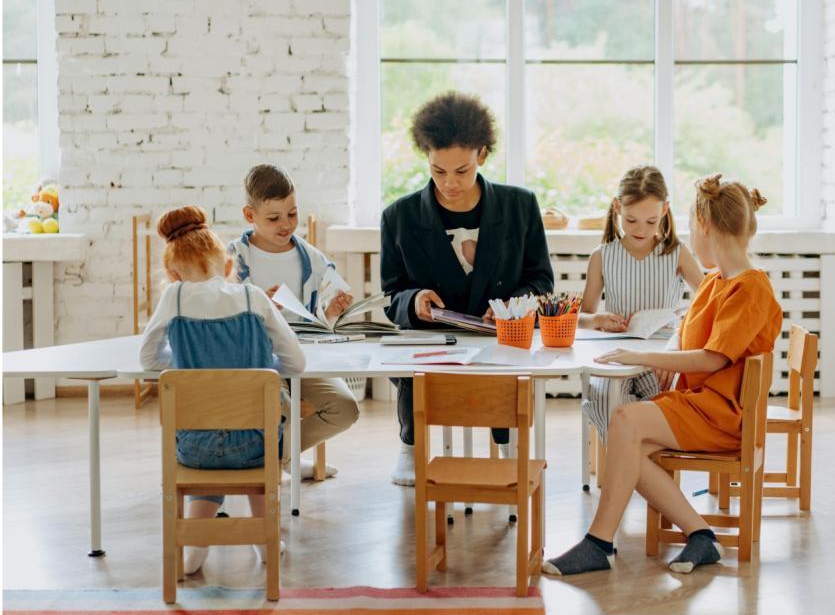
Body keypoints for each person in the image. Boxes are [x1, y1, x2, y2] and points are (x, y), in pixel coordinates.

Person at [543, 174, 781, 576]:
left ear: (705, 228)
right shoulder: (715, 284)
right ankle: (700, 536)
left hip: (722, 415)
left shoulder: (751, 288)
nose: (687, 235)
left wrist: (643, 354)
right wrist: (664, 358)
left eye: (690, 226)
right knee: (627, 447)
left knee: (624, 421)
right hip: (699, 405)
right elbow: (688, 339)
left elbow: (711, 359)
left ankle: (598, 543)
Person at [380, 91, 554, 486]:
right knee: (410, 369)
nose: (449, 184)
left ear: (483, 154)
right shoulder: (399, 217)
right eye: (438, 171)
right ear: (426, 157)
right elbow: (392, 295)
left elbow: (541, 280)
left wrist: (513, 304)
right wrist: (415, 300)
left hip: (502, 340)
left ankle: (510, 447)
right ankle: (410, 446)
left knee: (511, 370)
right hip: (433, 344)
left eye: (461, 170)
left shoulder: (520, 206)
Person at [140, 205, 305, 575]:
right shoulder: (254, 298)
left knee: (206, 437)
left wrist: (187, 369)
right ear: (228, 265)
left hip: (195, 448)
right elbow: (295, 364)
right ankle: (265, 540)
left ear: (172, 273)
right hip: (254, 445)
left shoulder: (173, 298)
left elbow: (149, 360)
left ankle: (196, 544)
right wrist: (260, 373)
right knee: (257, 446)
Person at [227, 164, 360, 479]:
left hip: (302, 355)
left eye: (292, 214)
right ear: (250, 216)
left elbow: (317, 323)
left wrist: (332, 312)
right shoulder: (235, 258)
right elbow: (222, 313)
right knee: (279, 407)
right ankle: (277, 461)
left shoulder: (311, 258)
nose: (286, 224)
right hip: (254, 360)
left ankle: (278, 458)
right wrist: (258, 301)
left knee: (345, 408)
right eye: (273, 218)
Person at [578, 165, 704, 441]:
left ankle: (642, 470)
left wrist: (678, 344)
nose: (640, 229)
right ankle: (629, 469)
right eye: (632, 219)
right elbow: (581, 317)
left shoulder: (678, 253)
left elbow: (708, 301)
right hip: (615, 357)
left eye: (651, 221)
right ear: (617, 207)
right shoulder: (602, 256)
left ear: (665, 211)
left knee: (665, 408)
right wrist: (598, 320)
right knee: (607, 402)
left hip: (662, 359)